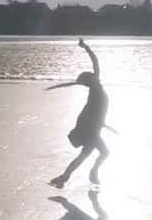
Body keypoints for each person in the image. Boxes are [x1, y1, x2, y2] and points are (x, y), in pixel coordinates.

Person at [47, 38, 110, 188]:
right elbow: (95, 62)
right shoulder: (95, 90)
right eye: (92, 76)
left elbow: (95, 61)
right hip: (92, 132)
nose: (95, 75)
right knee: (103, 153)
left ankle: (63, 178)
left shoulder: (97, 86)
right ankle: (91, 172)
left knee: (84, 156)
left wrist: (86, 47)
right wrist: (86, 47)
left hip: (94, 130)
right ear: (90, 81)